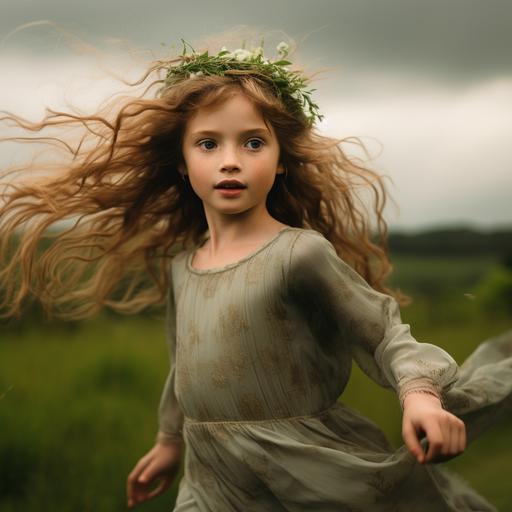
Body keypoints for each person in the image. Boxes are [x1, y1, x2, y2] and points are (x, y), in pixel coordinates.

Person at [1, 33, 510, 511]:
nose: (230, 162)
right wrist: (168, 440)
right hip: (210, 475)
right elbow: (184, 366)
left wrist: (419, 396)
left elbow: (384, 333)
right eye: (208, 144)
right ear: (181, 163)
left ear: (282, 159)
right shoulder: (184, 267)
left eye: (252, 143)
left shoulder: (299, 254)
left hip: (305, 464)